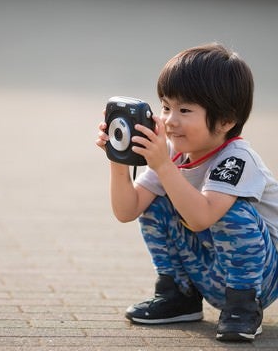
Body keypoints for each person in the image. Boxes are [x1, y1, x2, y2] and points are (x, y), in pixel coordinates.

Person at [96, 43, 278, 342]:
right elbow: (127, 210)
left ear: (226, 121)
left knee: (231, 211)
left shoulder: (237, 160)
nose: (169, 120)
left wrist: (163, 166)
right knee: (155, 202)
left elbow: (201, 218)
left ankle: (243, 307)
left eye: (184, 110)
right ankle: (179, 294)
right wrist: (120, 158)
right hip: (212, 268)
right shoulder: (175, 155)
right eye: (166, 107)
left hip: (260, 279)